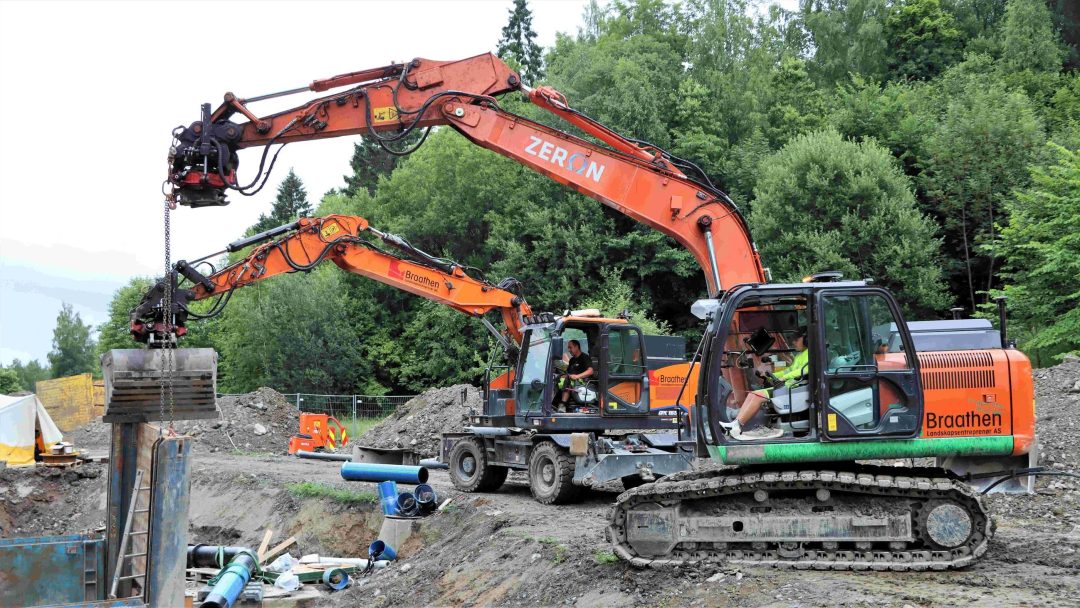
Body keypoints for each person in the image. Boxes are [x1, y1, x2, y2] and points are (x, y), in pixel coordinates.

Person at [722, 326, 809, 440]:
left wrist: (784, 378)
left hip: (794, 389)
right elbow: (790, 370)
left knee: (758, 395)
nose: (793, 342)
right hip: (789, 388)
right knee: (753, 394)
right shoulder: (800, 355)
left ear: (806, 339)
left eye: (796, 339)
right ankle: (735, 424)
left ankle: (737, 425)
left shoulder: (810, 354)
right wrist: (772, 374)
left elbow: (805, 370)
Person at [555, 339, 594, 411]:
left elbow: (590, 371)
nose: (569, 350)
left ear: (577, 347)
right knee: (557, 379)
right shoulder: (572, 360)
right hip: (573, 381)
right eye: (568, 348)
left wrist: (577, 376)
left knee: (567, 381)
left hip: (583, 383)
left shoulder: (585, 357)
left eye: (570, 347)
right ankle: (553, 404)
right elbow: (569, 373)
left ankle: (562, 404)